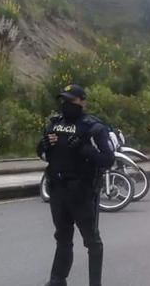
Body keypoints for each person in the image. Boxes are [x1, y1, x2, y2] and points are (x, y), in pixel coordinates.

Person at [37, 84, 115, 286]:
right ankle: (57, 280)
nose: (66, 105)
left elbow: (108, 159)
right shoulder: (55, 124)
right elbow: (43, 153)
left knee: (92, 242)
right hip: (58, 190)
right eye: (64, 100)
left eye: (71, 101)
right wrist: (43, 145)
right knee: (62, 238)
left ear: (83, 101)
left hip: (82, 192)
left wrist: (84, 148)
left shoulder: (93, 127)